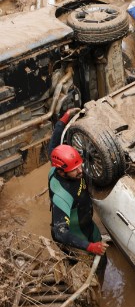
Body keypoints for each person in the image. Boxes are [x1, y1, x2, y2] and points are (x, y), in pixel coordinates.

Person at [48, 108, 108, 261]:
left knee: (103, 259)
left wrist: (64, 119)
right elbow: (60, 231)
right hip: (75, 236)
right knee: (85, 267)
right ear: (61, 172)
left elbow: (54, 144)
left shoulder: (58, 162)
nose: (81, 171)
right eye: (74, 170)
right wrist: (90, 247)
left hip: (88, 224)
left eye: (80, 165)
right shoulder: (62, 195)